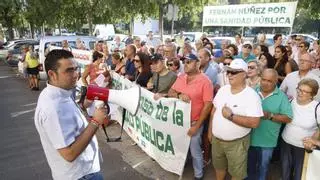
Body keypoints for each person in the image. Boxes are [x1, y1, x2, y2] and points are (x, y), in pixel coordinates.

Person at [34, 49, 106, 179]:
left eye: (76, 69)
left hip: (83, 173)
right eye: (69, 70)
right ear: (52, 74)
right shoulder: (53, 106)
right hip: (80, 175)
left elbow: (67, 120)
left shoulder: (59, 93)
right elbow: (69, 154)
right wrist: (95, 122)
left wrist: (83, 105)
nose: (76, 75)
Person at [208, 58, 263, 180]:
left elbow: (255, 122)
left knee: (237, 173)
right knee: (219, 166)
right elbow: (213, 111)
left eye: (234, 72)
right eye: (228, 72)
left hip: (237, 143)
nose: (229, 75)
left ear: (244, 74)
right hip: (217, 140)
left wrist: (231, 117)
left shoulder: (252, 96)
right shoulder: (223, 90)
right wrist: (210, 132)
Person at [168, 53, 213, 180]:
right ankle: (181, 166)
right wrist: (178, 95)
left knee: (195, 151)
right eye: (184, 62)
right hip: (179, 121)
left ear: (197, 64)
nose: (185, 64)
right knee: (180, 146)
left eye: (189, 62)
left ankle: (198, 174)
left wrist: (197, 126)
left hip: (194, 122)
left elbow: (208, 105)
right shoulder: (181, 77)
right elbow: (171, 92)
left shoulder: (206, 81)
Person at [247, 69, 292, 180]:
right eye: (263, 79)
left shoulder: (281, 96)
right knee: (249, 167)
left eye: (269, 81)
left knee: (263, 167)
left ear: (276, 81)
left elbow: (288, 118)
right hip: (249, 138)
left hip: (267, 141)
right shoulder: (252, 92)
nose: (265, 83)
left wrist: (270, 116)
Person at [281, 78, 319, 180]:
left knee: (299, 175)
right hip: (286, 142)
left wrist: (313, 140)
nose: (300, 93)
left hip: (303, 148)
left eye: (305, 91)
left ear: (312, 94)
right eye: (299, 89)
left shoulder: (317, 108)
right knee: (285, 172)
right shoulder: (291, 101)